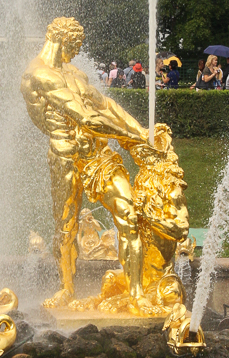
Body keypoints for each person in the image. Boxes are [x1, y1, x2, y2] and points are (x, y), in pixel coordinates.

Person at [21, 16, 164, 315]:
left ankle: (136, 293)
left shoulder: (75, 73)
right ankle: (66, 289)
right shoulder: (39, 74)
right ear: (63, 39)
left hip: (97, 155)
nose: (76, 51)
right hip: (65, 155)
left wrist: (141, 132)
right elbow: (84, 118)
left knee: (128, 211)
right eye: (75, 45)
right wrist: (130, 139)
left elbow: (104, 105)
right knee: (66, 223)